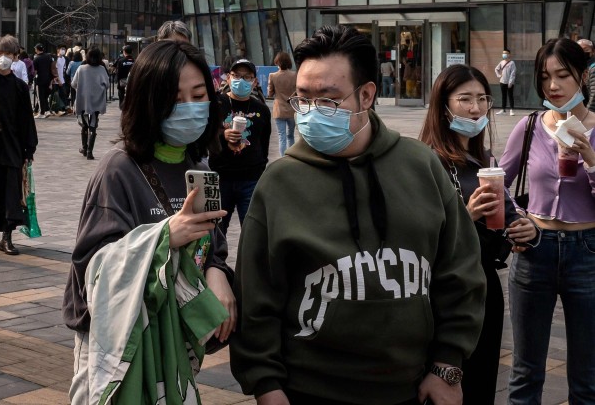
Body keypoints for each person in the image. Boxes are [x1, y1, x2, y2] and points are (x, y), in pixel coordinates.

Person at [230, 25, 486, 405]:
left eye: (329, 100)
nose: (313, 112)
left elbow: (460, 270)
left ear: (367, 95)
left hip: (413, 388)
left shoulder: (421, 167)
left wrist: (447, 366)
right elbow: (257, 296)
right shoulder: (280, 182)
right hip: (308, 390)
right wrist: (266, 386)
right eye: (304, 99)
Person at [64, 39, 234, 404]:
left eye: (199, 94)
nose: (190, 107)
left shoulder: (199, 167)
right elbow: (90, 270)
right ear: (148, 101)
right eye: (175, 98)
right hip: (117, 346)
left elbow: (211, 242)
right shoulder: (118, 171)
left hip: (173, 340)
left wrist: (218, 271)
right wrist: (163, 236)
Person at [419, 64, 538, 404]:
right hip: (440, 291)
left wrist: (526, 229)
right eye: (465, 99)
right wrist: (466, 216)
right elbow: (416, 236)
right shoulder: (425, 161)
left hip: (482, 287)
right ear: (443, 105)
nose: (475, 108)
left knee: (482, 382)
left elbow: (509, 215)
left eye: (483, 99)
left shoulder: (484, 161)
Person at [499, 38, 595, 404]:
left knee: (587, 376)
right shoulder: (530, 127)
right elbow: (499, 181)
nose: (553, 86)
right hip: (534, 248)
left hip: (587, 252)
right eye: (545, 77)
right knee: (525, 372)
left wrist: (591, 159)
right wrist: (516, 220)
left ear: (582, 76)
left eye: (562, 75)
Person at [0, 35, 38, 255]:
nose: (3, 58)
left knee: (10, 191)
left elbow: (27, 118)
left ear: (16, 57)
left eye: (8, 54)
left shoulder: (19, 86)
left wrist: (29, 148)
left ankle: (7, 236)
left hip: (12, 145)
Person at [209, 58, 271, 238]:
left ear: (254, 81)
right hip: (220, 178)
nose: (241, 81)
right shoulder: (217, 104)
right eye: (237, 76)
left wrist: (260, 169)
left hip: (250, 180)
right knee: (215, 231)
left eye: (247, 77)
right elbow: (204, 135)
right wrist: (223, 135)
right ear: (228, 78)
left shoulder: (261, 109)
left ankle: (250, 265)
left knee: (253, 233)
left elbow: (264, 143)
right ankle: (216, 264)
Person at [71, 48, 108, 160]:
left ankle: (84, 147)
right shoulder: (101, 69)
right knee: (93, 125)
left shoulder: (81, 68)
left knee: (84, 125)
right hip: (96, 101)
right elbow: (107, 84)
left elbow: (73, 84)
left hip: (83, 100)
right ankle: (89, 152)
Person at [267, 51, 297, 157]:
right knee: (291, 135)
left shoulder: (273, 76)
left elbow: (270, 94)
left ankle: (282, 158)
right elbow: (298, 92)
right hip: (292, 110)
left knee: (281, 136)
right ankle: (293, 156)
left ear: (277, 62)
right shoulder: (295, 75)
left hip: (279, 110)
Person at [32, 43, 56, 118]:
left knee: (40, 96)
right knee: (45, 96)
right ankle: (47, 111)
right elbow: (52, 67)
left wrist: (32, 78)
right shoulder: (49, 57)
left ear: (37, 49)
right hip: (48, 79)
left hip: (40, 79)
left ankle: (42, 112)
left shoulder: (36, 59)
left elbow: (35, 71)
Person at [495, 48, 516, 116]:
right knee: (503, 96)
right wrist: (499, 75)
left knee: (510, 96)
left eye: (506, 53)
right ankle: (503, 109)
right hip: (502, 82)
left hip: (509, 83)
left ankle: (511, 110)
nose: (504, 54)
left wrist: (510, 82)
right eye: (503, 53)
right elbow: (496, 69)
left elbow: (513, 73)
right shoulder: (501, 62)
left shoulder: (512, 63)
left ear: (509, 54)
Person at [579, 38, 595, 113]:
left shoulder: (593, 68)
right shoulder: (583, 67)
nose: (583, 52)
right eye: (580, 50)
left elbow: (594, 95)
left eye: (586, 50)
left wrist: (588, 112)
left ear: (593, 51)